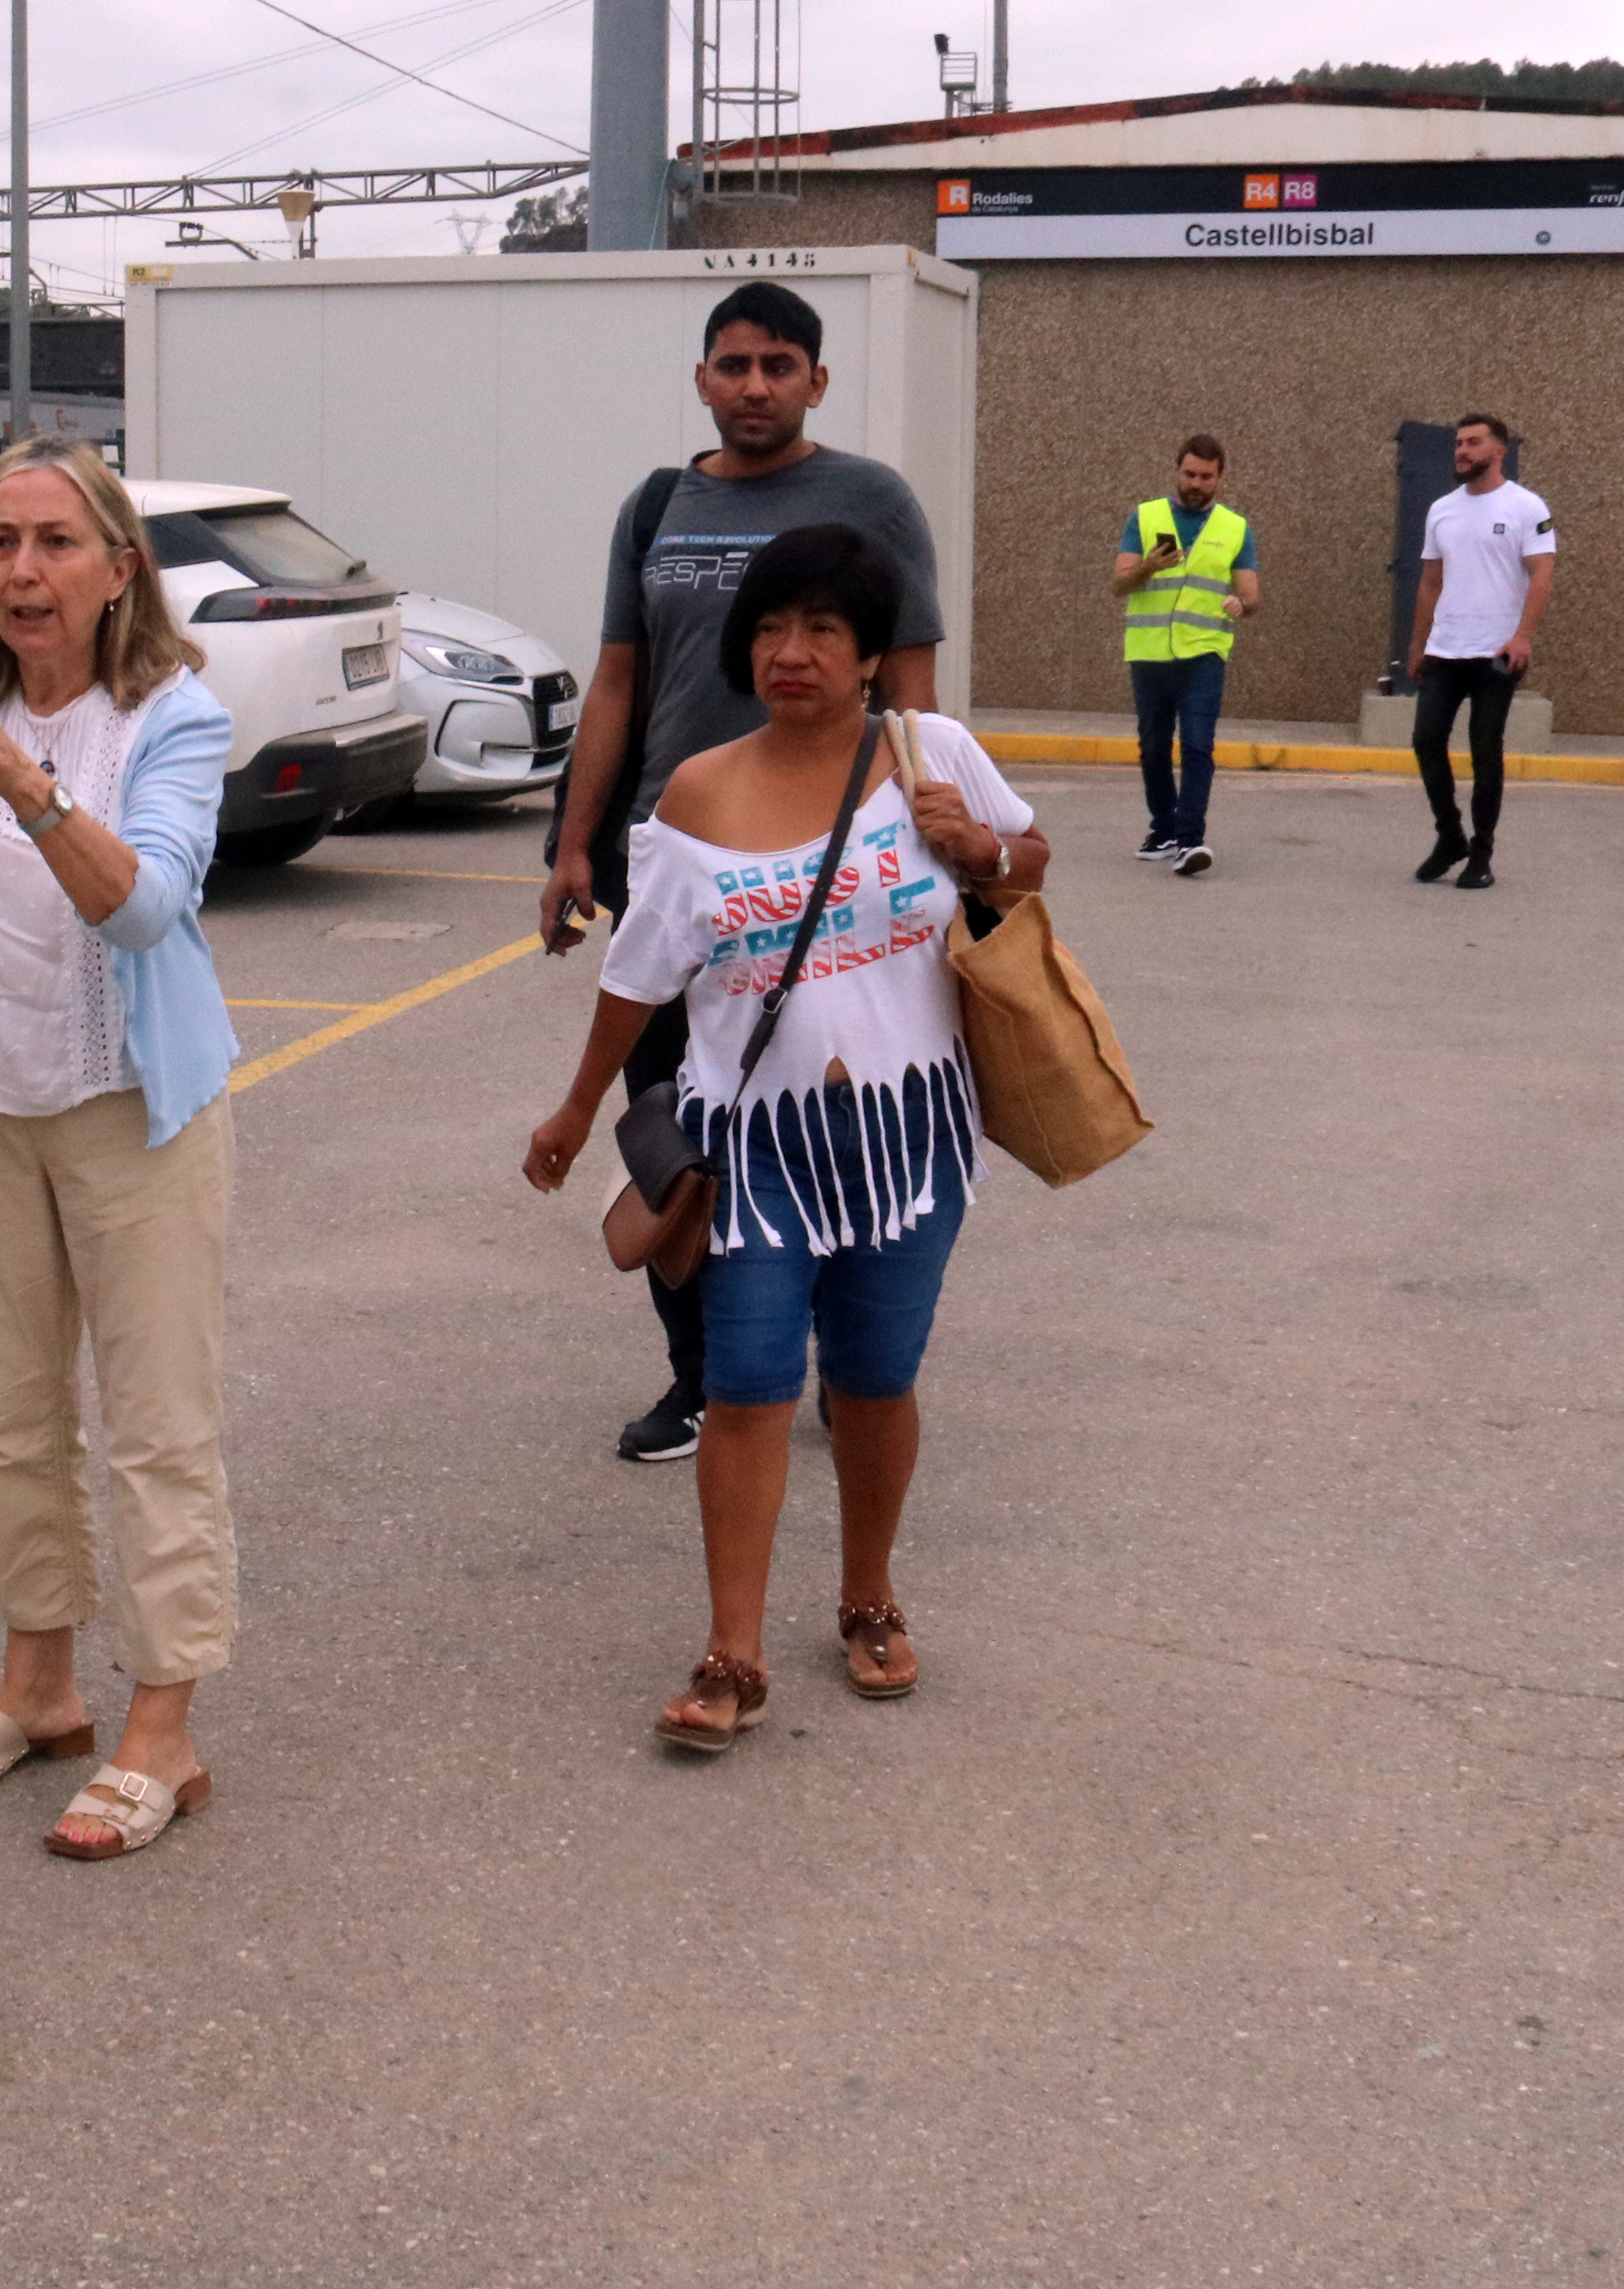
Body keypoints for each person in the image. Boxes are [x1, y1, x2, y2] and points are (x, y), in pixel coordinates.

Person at [522, 525, 1046, 1753]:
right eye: (769, 628)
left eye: (820, 629)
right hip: (752, 1149)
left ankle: (869, 1597)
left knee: (873, 1382)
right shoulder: (700, 789)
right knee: (750, 1386)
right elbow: (639, 974)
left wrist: (976, 847)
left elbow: (1028, 861)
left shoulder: (934, 753)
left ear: (872, 653)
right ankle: (733, 1648)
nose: (790, 651)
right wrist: (577, 1104)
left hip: (908, 1139)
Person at [0, 436, 240, 1862]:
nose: (21, 569)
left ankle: (163, 1724)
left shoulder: (174, 718)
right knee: (12, 1416)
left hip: (138, 1110)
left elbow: (146, 909)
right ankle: (40, 1684)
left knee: (155, 1430)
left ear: (118, 568)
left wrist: (25, 781)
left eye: (55, 542)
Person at [535, 280, 947, 1468]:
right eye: (733, 364)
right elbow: (617, 679)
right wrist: (575, 838)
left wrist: (921, 842)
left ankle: (844, 1347)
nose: (754, 385)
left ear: (817, 381)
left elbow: (912, 689)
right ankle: (706, 1371)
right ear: (703, 379)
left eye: (779, 364)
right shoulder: (657, 505)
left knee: (833, 1109)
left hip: (835, 873)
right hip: (682, 863)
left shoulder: (872, 500)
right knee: (673, 1122)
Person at [1405, 414, 1555, 892]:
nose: (1462, 452)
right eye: (1458, 444)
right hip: (1445, 649)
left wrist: (1523, 636)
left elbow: (1542, 574)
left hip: (1496, 652)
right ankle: (1450, 836)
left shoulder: (1525, 507)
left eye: (1473, 443)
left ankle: (1482, 854)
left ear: (1499, 450)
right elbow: (1430, 582)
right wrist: (1417, 647)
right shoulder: (1442, 509)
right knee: (1427, 740)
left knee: (1484, 749)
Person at [1112, 433, 1259, 876]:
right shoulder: (1146, 516)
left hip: (1204, 654)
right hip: (1151, 653)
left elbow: (1251, 592)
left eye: (1206, 477)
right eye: (1189, 474)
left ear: (1220, 479)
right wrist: (1149, 566)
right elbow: (1119, 583)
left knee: (1197, 744)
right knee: (1154, 747)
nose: (1196, 483)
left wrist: (1242, 604)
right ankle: (1163, 829)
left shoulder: (1235, 528)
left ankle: (1190, 841)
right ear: (1178, 472)